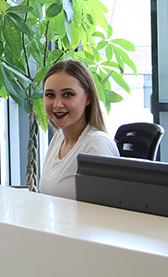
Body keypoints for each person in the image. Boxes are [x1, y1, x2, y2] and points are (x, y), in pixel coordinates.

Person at [38, 59, 119, 199]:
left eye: (68, 94)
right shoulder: (59, 137)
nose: (57, 104)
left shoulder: (96, 144)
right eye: (50, 95)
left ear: (88, 98)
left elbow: (105, 208)